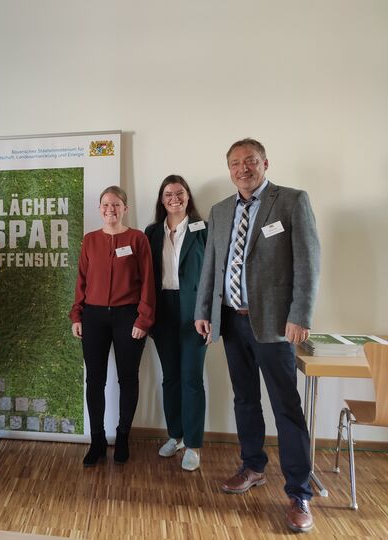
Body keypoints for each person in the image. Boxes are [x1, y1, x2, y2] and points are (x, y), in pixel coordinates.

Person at [195, 138, 320, 532]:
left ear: (265, 162)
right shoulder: (219, 211)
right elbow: (211, 268)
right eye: (235, 163)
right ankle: (253, 467)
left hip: (275, 325)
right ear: (228, 169)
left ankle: (299, 491)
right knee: (245, 399)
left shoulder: (291, 201)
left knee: (286, 406)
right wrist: (204, 311)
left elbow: (308, 263)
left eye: (250, 161)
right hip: (231, 321)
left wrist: (300, 315)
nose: (242, 169)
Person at [70, 186, 156, 466]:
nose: (110, 209)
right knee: (94, 380)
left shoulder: (137, 239)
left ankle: (122, 437)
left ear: (125, 208)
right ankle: (97, 440)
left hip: (128, 317)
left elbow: (147, 283)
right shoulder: (90, 240)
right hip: (93, 317)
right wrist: (77, 315)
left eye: (116, 204)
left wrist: (143, 318)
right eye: (106, 204)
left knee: (127, 378)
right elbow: (81, 280)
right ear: (99, 208)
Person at [145, 175, 207, 472]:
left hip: (194, 310)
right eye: (168, 194)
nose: (174, 198)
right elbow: (145, 277)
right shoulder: (152, 232)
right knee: (170, 377)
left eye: (179, 193)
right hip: (163, 309)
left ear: (188, 196)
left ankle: (193, 444)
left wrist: (207, 313)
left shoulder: (203, 229)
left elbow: (212, 276)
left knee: (191, 377)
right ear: (161, 199)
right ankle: (176, 435)